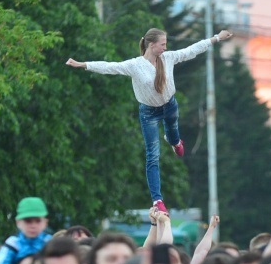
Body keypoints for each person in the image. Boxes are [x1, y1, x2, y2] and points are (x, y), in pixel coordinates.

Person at [67, 26, 235, 213]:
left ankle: (174, 141)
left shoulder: (168, 58)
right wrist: (84, 65)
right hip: (149, 114)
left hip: (170, 106)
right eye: (162, 44)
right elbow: (110, 67)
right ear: (151, 45)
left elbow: (191, 50)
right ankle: (157, 200)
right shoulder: (135, 65)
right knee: (152, 155)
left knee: (172, 133)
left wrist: (217, 38)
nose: (165, 47)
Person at [0, 197, 51, 264]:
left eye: (38, 221)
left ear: (45, 223)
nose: (33, 226)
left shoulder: (50, 243)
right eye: (28, 221)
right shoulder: (13, 244)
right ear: (18, 222)